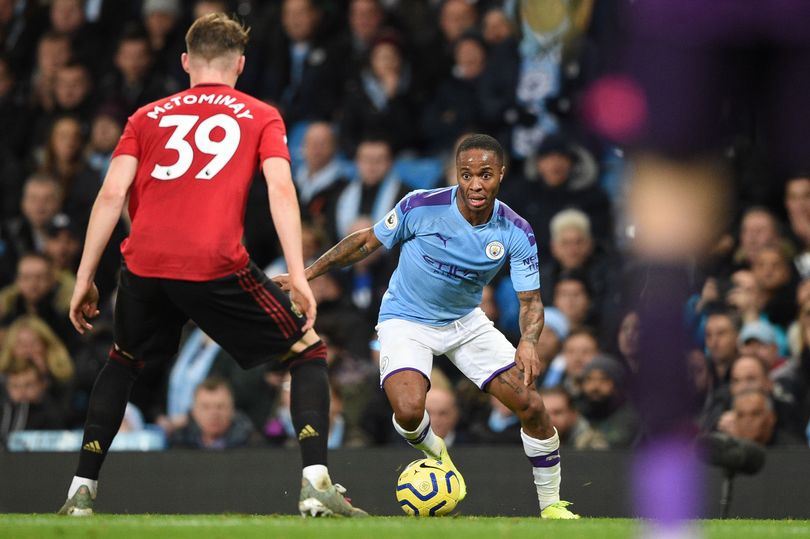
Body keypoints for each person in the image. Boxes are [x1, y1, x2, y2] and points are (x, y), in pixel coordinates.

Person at [57, 13, 366, 518]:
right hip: (213, 261)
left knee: (122, 360)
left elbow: (111, 193)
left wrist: (84, 277)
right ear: (240, 64)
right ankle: (316, 484)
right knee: (306, 353)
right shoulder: (261, 114)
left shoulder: (146, 116)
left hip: (145, 263)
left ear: (185, 62)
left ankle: (80, 492)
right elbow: (282, 191)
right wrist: (300, 274)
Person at [276, 133, 579, 519]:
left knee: (532, 405)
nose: (474, 184)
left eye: (485, 175)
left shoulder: (516, 231)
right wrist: (307, 274)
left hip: (466, 323)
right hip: (405, 318)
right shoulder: (421, 205)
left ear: (501, 174)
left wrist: (529, 341)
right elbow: (366, 243)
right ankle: (438, 453)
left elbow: (530, 301)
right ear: (457, 173)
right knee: (408, 409)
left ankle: (552, 506)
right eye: (466, 174)